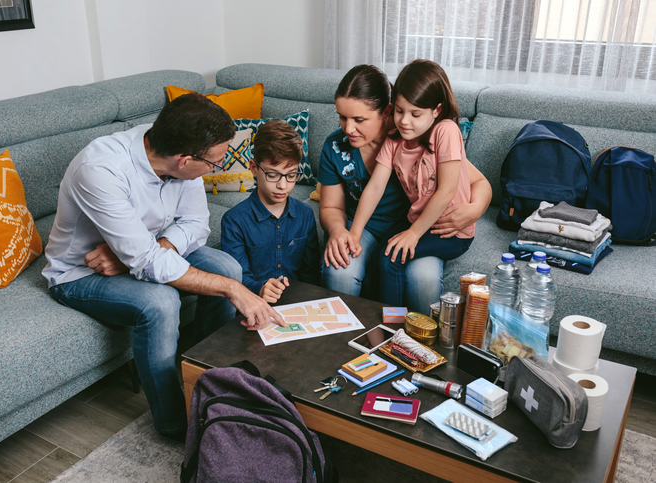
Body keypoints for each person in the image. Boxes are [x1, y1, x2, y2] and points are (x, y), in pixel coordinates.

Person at [42, 93, 285, 441]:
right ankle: (174, 424)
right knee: (161, 304)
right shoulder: (100, 169)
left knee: (227, 267)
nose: (216, 168)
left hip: (148, 246)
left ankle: (207, 379)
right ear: (185, 161)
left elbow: (197, 223)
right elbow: (145, 261)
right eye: (215, 164)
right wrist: (234, 291)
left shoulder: (173, 147)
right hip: (78, 274)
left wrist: (143, 250)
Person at [318, 64, 492, 313]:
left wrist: (475, 209)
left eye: (359, 119)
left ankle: (414, 339)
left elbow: (471, 182)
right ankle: (356, 338)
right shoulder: (352, 144)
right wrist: (346, 232)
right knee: (346, 270)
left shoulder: (427, 134)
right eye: (342, 117)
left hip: (426, 226)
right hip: (380, 225)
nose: (348, 129)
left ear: (385, 112)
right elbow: (350, 198)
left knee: (418, 275)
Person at [221, 120, 320, 303]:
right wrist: (260, 289)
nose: (282, 185)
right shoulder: (234, 221)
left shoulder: (305, 214)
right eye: (272, 175)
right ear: (253, 168)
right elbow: (236, 279)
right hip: (252, 304)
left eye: (291, 175)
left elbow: (311, 274)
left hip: (298, 306)